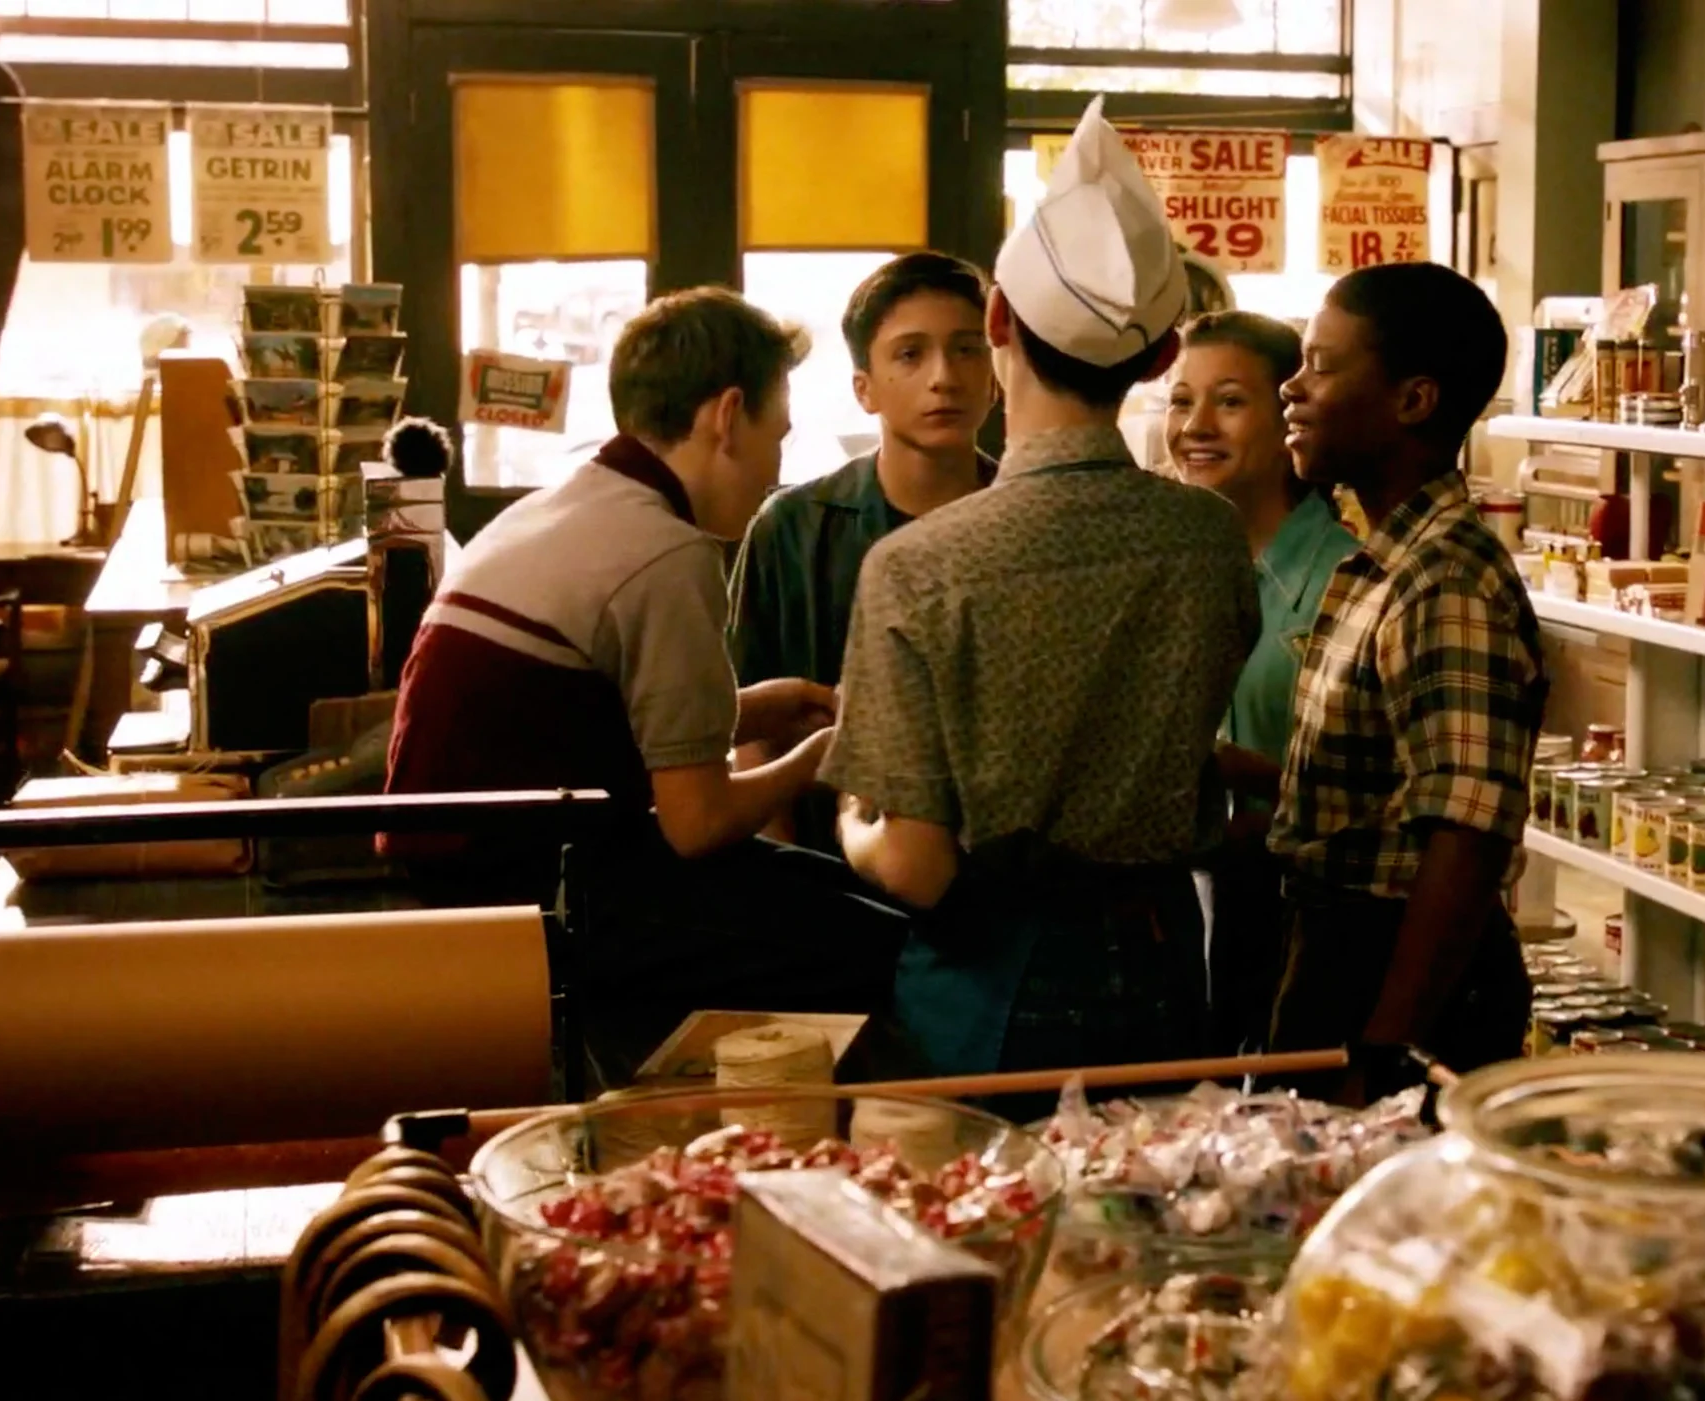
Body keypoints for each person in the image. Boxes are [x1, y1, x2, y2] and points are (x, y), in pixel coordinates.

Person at [822, 97, 1260, 1081]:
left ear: (995, 322)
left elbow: (918, 867)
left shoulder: (918, 566)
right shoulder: (1207, 536)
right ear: (1161, 357)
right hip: (1165, 962)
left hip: (990, 981)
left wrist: (854, 820)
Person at [383, 287, 907, 1081]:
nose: (777, 468)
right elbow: (697, 823)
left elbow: (587, 716)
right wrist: (822, 755)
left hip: (471, 863)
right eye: (778, 435)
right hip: (541, 896)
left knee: (846, 896)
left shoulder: (572, 502)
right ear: (727, 416)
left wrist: (757, 709)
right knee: (884, 940)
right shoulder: (667, 550)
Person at [1264, 262, 1546, 1102]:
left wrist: (1389, 1051)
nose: (1292, 388)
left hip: (1391, 980)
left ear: (1414, 401)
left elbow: (1466, 834)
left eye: (1321, 365)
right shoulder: (1386, 559)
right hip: (1338, 956)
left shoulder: (1443, 581)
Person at [728, 252, 998, 851]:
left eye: (966, 349)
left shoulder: (1031, 520)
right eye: (910, 354)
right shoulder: (794, 526)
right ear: (864, 388)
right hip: (826, 866)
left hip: (998, 867)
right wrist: (787, 871)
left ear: (995, 374)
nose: (943, 377)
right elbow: (753, 732)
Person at [1164, 310, 1361, 1051]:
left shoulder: (1344, 577)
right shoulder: (1171, 566)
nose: (1196, 426)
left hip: (1312, 922)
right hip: (1187, 912)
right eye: (1181, 401)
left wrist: (1256, 783)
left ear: (1289, 421)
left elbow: (1384, 798)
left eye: (1230, 401)